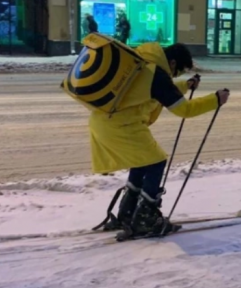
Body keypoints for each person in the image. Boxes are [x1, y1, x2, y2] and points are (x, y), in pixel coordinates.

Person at [89, 42, 230, 237]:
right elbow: (184, 109)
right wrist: (215, 99)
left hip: (106, 120)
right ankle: (145, 219)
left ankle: (128, 213)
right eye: (177, 72)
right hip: (121, 126)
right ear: (172, 63)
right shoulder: (157, 75)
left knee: (143, 161)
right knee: (157, 161)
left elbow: (157, 93)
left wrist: (185, 86)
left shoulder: (146, 63)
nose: (175, 77)